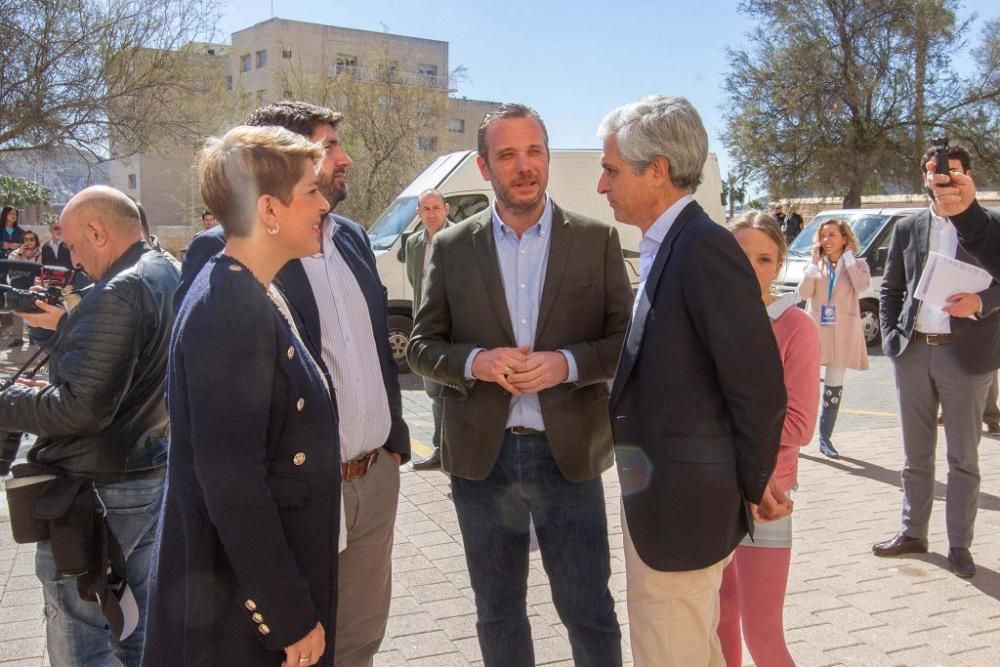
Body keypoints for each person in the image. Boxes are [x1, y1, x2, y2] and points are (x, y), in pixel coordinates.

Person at [179, 101, 410, 666]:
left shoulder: (352, 238)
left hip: (373, 477)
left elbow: (375, 347)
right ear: (272, 193)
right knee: (304, 642)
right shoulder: (227, 265)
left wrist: (393, 440)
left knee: (358, 642)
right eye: (329, 150)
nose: (344, 161)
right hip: (303, 494)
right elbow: (225, 453)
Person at [407, 102, 631, 666]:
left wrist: (567, 364)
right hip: (484, 462)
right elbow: (421, 348)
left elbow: (628, 343)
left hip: (570, 459)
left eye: (534, 152)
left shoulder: (595, 240)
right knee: (497, 612)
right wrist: (477, 362)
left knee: (590, 611)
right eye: (507, 155)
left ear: (548, 158)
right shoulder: (454, 247)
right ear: (485, 169)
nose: (524, 166)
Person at [598, 95, 788, 666]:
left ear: (657, 170)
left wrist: (755, 481)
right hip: (665, 505)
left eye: (611, 170)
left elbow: (757, 383)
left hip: (682, 514)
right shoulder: (669, 244)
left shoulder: (703, 248)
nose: (603, 185)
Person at [143, 125, 337, 667]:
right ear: (270, 209)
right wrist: (287, 614)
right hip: (234, 613)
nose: (324, 203)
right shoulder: (229, 305)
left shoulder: (253, 288)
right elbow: (233, 482)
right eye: (312, 191)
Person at [0, 185, 179, 665]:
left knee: (82, 636)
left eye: (76, 246)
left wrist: (8, 398)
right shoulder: (165, 271)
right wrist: (67, 338)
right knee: (133, 621)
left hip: (97, 491)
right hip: (143, 474)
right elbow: (120, 376)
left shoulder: (118, 292)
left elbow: (81, 409)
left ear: (98, 231)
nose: (74, 260)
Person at [873, 143, 1000, 578]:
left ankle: (960, 545)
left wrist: (981, 302)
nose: (940, 177)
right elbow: (890, 289)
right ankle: (913, 532)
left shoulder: (991, 226)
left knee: (963, 458)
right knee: (915, 455)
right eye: (932, 171)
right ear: (925, 177)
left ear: (966, 176)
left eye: (951, 170)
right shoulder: (909, 227)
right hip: (914, 351)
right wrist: (892, 340)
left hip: (966, 355)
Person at [718, 212, 820, 667]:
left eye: (764, 258)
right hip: (711, 491)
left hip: (768, 493)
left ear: (778, 266)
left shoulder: (795, 326)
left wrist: (719, 416)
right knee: (720, 626)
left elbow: (799, 426)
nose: (751, 267)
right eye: (741, 255)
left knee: (762, 633)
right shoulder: (707, 320)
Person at [796, 218, 871, 457]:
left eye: (832, 235)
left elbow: (861, 286)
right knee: (802, 386)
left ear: (844, 239)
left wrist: (849, 259)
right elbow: (803, 293)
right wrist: (813, 264)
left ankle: (825, 439)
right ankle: (794, 435)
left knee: (833, 387)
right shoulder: (815, 265)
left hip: (842, 335)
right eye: (823, 235)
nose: (826, 240)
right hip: (816, 332)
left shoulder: (858, 265)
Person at [405, 188, 452, 471]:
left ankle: (457, 451)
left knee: (456, 393)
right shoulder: (413, 244)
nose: (432, 213)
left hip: (455, 329)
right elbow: (416, 283)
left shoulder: (464, 237)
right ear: (418, 214)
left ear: (446, 209)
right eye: (426, 209)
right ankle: (440, 450)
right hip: (426, 329)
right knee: (434, 393)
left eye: (436, 207)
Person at [925, 159, 1000, 280]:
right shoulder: (905, 226)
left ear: (967, 175)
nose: (946, 177)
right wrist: (965, 214)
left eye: (952, 171)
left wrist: (979, 299)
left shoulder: (991, 221)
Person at [5, 230, 43, 347]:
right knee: (17, 309)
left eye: (31, 239)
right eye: (26, 239)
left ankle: (33, 336)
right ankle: (18, 338)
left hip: (34, 284)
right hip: (18, 284)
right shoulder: (15, 254)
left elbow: (42, 270)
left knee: (34, 309)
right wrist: (20, 255)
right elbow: (11, 269)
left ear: (36, 241)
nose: (29, 242)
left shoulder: (40, 253)